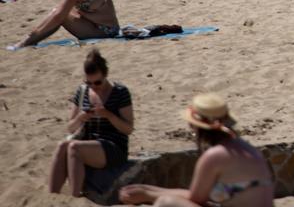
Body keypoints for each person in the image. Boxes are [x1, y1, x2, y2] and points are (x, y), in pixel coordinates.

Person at [119, 93, 273, 206]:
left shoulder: (215, 156)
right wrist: (147, 190)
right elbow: (200, 197)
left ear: (196, 126)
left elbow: (196, 199)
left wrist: (148, 194)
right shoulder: (244, 147)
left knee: (166, 203)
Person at [49, 50, 134, 198]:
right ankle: (53, 196)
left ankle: (76, 196)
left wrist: (109, 115)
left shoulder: (120, 92)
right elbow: (70, 127)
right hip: (89, 141)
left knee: (75, 147)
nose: (94, 86)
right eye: (89, 82)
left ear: (105, 75)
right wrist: (81, 118)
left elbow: (128, 129)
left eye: (98, 82)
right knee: (62, 145)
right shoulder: (82, 92)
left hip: (113, 145)